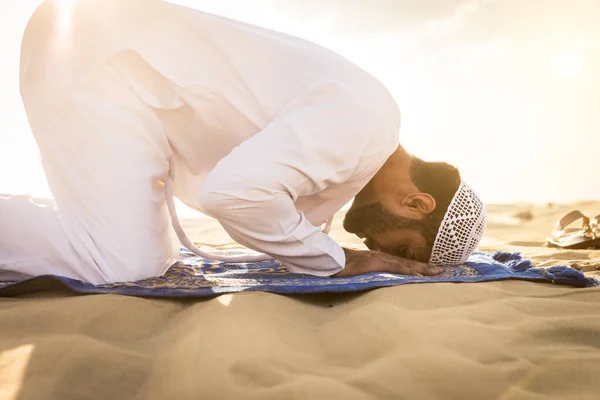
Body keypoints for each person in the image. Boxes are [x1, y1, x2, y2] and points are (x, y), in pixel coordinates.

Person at [0, 0, 486, 284]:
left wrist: (323, 249)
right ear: (418, 203)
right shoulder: (360, 129)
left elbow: (265, 203)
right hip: (97, 57)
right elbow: (231, 193)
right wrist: (343, 261)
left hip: (121, 75)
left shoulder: (362, 139)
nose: (383, 252)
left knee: (151, 258)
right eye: (405, 250)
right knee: (119, 263)